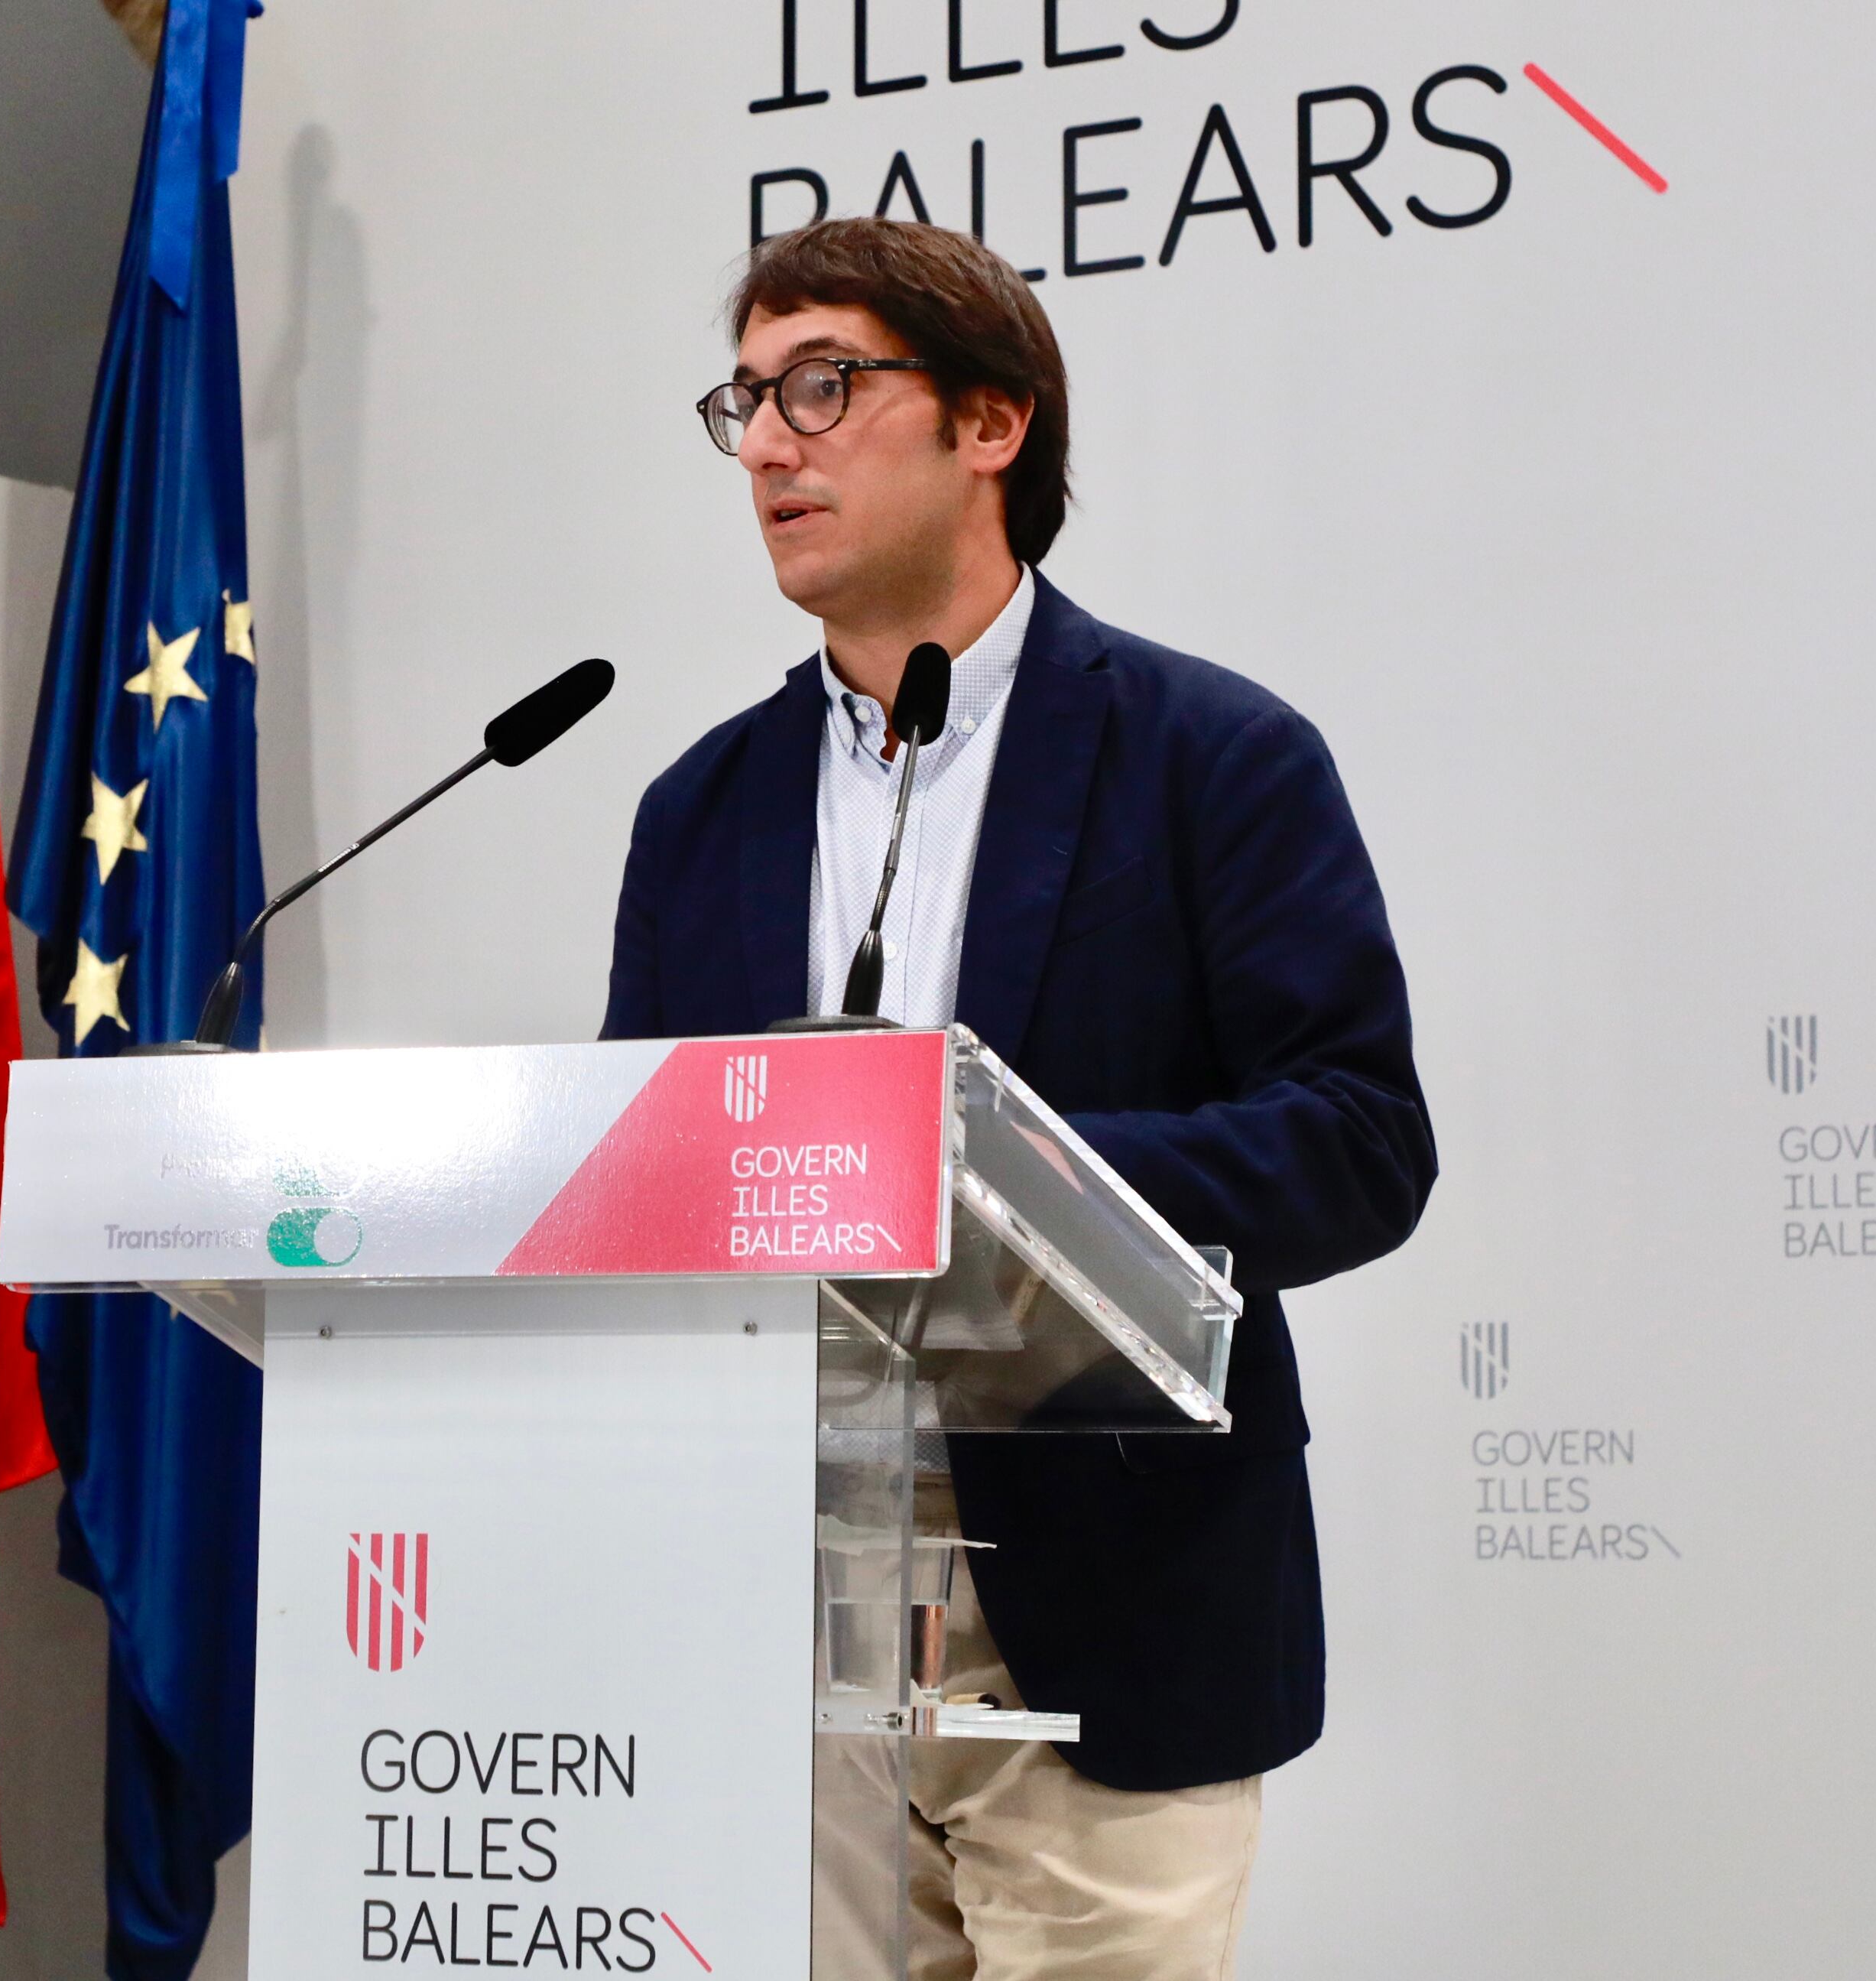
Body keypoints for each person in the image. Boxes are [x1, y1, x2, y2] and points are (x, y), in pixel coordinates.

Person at [600, 217, 1436, 1978]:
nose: (766, 444)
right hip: (783, 1606)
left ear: (992, 424)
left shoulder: (1210, 756)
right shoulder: (699, 811)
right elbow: (645, 1183)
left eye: (819, 385)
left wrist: (988, 1176)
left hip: (1108, 1596)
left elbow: (1358, 1140)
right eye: (741, 401)